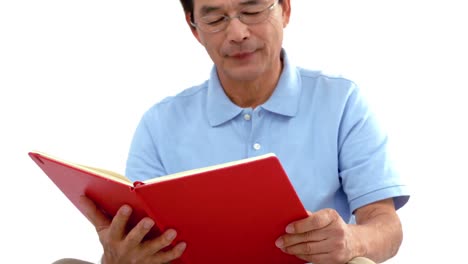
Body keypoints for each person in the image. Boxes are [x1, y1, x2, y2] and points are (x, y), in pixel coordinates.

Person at [54, 0, 410, 263]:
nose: (237, 33)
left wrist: (351, 241)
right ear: (194, 28)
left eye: (253, 10)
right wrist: (117, 257)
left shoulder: (342, 101)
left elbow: (386, 226)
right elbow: (138, 238)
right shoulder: (159, 122)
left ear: (285, 10)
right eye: (216, 17)